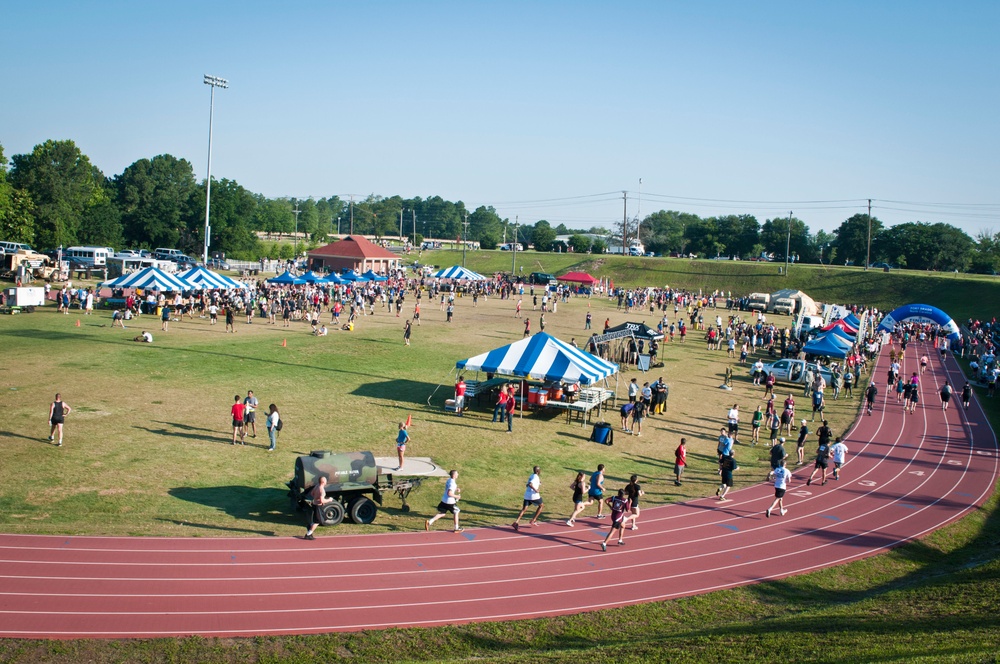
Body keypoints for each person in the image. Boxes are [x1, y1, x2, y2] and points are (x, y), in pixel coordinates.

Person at [512, 466, 543, 530]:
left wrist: (539, 482)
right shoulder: (535, 477)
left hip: (527, 495)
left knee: (524, 509)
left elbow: (527, 484)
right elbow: (530, 484)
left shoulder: (531, 475)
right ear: (537, 471)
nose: (540, 471)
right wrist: (535, 490)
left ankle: (516, 522)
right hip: (533, 495)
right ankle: (533, 520)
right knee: (541, 505)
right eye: (539, 470)